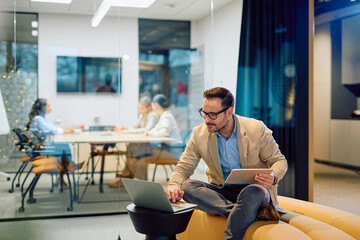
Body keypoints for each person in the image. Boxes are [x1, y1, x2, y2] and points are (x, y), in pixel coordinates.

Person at [165, 87, 288, 240]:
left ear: (229, 113)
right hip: (222, 192)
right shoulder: (199, 134)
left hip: (253, 191)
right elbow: (184, 167)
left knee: (254, 192)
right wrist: (173, 185)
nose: (207, 120)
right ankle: (243, 213)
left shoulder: (256, 129)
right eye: (204, 113)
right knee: (187, 187)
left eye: (213, 115)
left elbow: (279, 161)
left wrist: (273, 176)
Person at [26, 98, 82, 183]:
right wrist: (68, 131)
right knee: (63, 146)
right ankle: (68, 166)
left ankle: (64, 173)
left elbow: (53, 128)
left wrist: (67, 130)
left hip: (41, 148)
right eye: (48, 105)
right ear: (41, 107)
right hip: (39, 151)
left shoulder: (41, 118)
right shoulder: (38, 119)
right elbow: (53, 131)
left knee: (62, 146)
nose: (50, 107)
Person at [109, 95, 159, 187]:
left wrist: (129, 131)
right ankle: (126, 175)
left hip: (153, 147)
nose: (139, 110)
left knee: (132, 148)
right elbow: (134, 127)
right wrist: (125, 129)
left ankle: (127, 176)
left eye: (142, 108)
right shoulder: (143, 116)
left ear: (148, 108)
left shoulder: (153, 116)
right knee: (131, 147)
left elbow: (146, 129)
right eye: (139, 108)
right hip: (145, 146)